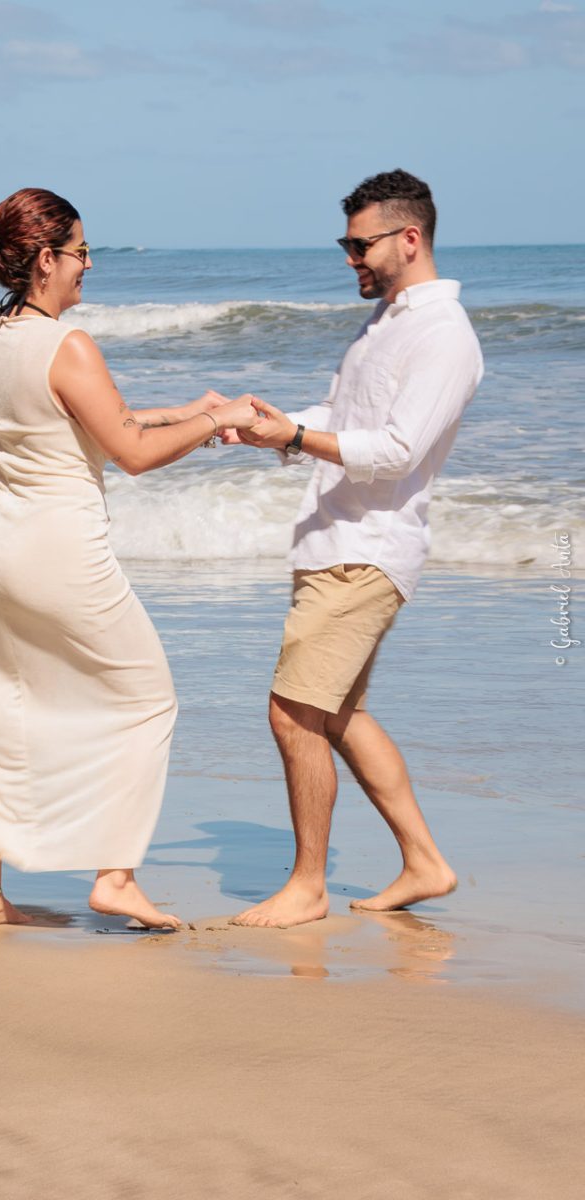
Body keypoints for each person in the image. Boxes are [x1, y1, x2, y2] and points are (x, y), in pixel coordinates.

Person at [0, 187, 257, 930]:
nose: (89, 265)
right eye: (80, 252)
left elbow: (92, 424)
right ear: (44, 261)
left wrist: (198, 411)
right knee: (146, 697)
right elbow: (129, 451)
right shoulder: (67, 345)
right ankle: (116, 876)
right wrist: (216, 424)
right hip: (59, 555)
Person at [223, 169, 483, 927]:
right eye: (345, 244)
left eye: (359, 244)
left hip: (368, 549)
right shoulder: (387, 324)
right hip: (335, 539)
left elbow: (398, 449)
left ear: (410, 238)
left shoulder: (443, 334)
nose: (350, 259)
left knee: (292, 713)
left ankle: (307, 887)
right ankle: (425, 863)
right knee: (336, 716)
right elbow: (344, 415)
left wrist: (299, 436)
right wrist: (272, 426)